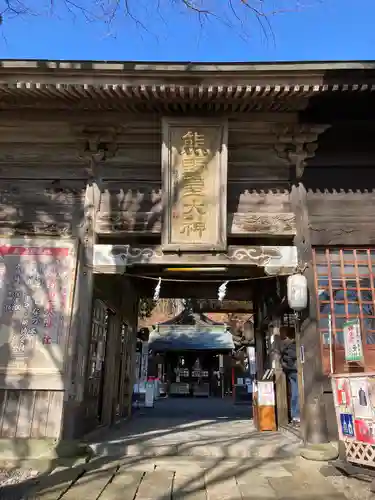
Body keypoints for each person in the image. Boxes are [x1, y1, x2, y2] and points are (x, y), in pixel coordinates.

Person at [280, 327, 300, 425]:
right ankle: (297, 415)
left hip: (290, 371)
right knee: (298, 394)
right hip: (296, 371)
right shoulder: (293, 346)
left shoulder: (283, 346)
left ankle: (294, 416)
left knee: (295, 394)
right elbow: (297, 356)